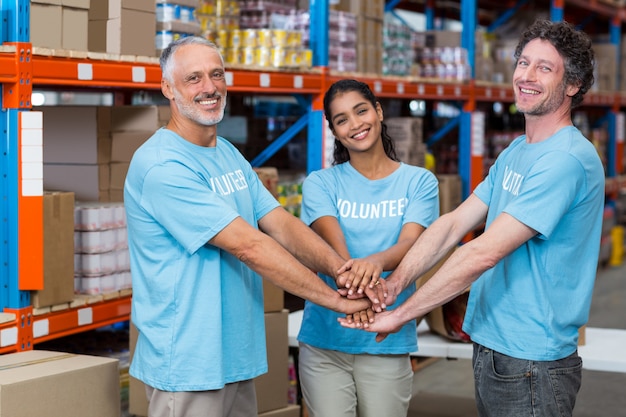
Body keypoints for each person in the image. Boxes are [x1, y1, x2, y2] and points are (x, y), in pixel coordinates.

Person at [340, 19, 604, 417]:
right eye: (524, 63)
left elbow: (479, 254)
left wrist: (400, 316)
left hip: (531, 358)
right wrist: (396, 285)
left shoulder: (564, 160)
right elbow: (452, 225)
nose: (526, 76)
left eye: (544, 68)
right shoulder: (519, 149)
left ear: (573, 85)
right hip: (495, 347)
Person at [124, 37, 372, 417]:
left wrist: (342, 272)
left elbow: (281, 224)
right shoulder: (161, 166)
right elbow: (248, 246)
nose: (209, 87)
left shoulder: (226, 153)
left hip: (234, 356)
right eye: (194, 78)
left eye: (216, 74)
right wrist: (336, 300)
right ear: (168, 89)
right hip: (189, 364)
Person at [297, 79, 440, 417]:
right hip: (325, 341)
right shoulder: (320, 183)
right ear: (333, 129)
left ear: (377, 111)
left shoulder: (418, 182)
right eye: (342, 119)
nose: (355, 124)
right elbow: (336, 252)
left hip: (387, 338)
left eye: (361, 111)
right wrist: (357, 292)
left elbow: (411, 245)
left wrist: (375, 262)